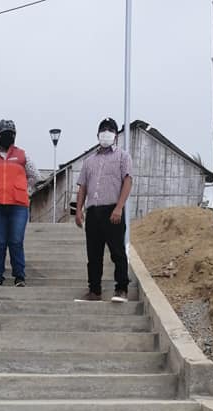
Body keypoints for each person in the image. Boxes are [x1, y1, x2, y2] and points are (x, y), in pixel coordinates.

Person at [0, 119, 40, 287]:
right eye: (4, 134)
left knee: (16, 241)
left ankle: (19, 277)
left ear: (15, 136)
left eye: (10, 134)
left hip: (18, 206)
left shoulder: (23, 155)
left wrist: (25, 190)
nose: (7, 137)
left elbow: (35, 176)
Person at [75, 117, 133, 302]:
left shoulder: (123, 157)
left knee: (117, 252)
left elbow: (128, 181)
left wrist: (119, 207)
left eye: (110, 130)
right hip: (93, 212)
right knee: (94, 254)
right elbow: (83, 186)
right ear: (97, 134)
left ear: (116, 135)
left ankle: (121, 289)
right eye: (103, 130)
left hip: (112, 210)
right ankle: (94, 291)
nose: (106, 133)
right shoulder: (89, 161)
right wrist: (78, 210)